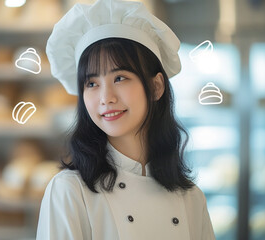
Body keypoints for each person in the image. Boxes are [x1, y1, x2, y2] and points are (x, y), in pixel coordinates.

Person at [36, 0, 216, 239]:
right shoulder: (70, 191)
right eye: (91, 83)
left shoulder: (191, 198)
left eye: (119, 78)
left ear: (156, 86)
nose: (106, 98)